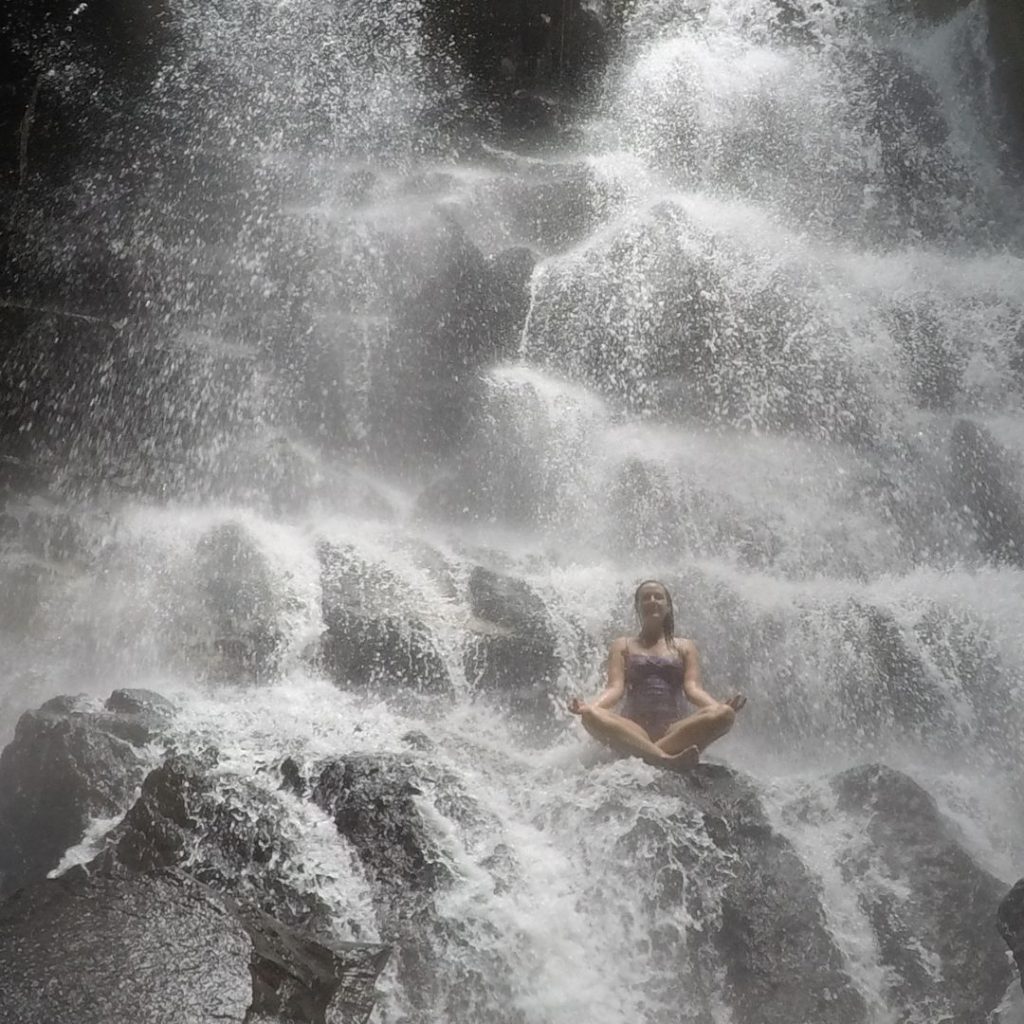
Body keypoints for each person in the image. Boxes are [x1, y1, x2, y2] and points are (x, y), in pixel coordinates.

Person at [568, 579, 746, 769]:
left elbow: (693, 689)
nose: (652, 600)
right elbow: (615, 688)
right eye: (645, 598)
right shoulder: (622, 645)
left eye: (658, 597)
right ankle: (664, 758)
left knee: (725, 715)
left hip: (674, 731)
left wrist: (718, 706)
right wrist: (589, 706)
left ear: (668, 606)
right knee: (590, 715)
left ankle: (646, 753)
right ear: (637, 607)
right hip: (634, 729)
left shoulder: (685, 646)